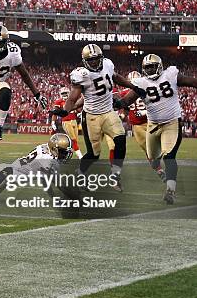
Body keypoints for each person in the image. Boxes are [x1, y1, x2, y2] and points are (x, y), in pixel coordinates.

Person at [116, 54, 197, 204]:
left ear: (160, 66)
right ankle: (158, 169)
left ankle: (170, 191)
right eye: (147, 67)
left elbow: (191, 81)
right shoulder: (141, 82)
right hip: (153, 125)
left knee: (169, 156)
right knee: (154, 160)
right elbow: (127, 100)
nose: (150, 70)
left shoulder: (170, 74)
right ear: (143, 69)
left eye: (153, 66)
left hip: (171, 124)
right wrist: (116, 104)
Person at [54, 44, 146, 192]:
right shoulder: (82, 75)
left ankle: (115, 175)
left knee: (121, 139)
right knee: (94, 154)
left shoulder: (108, 64)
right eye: (91, 60)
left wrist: (133, 87)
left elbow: (117, 78)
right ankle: (80, 173)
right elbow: (72, 98)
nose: (94, 63)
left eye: (96, 59)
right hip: (91, 116)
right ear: (84, 61)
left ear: (101, 57)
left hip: (108, 112)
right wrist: (65, 111)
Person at [51, 86, 83, 158]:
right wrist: (53, 122)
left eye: (66, 93)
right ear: (60, 94)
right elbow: (55, 112)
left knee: (75, 140)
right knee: (73, 140)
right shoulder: (59, 101)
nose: (65, 95)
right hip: (66, 121)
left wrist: (79, 113)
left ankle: (65, 153)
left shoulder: (72, 100)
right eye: (63, 93)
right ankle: (80, 157)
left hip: (74, 121)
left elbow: (77, 109)